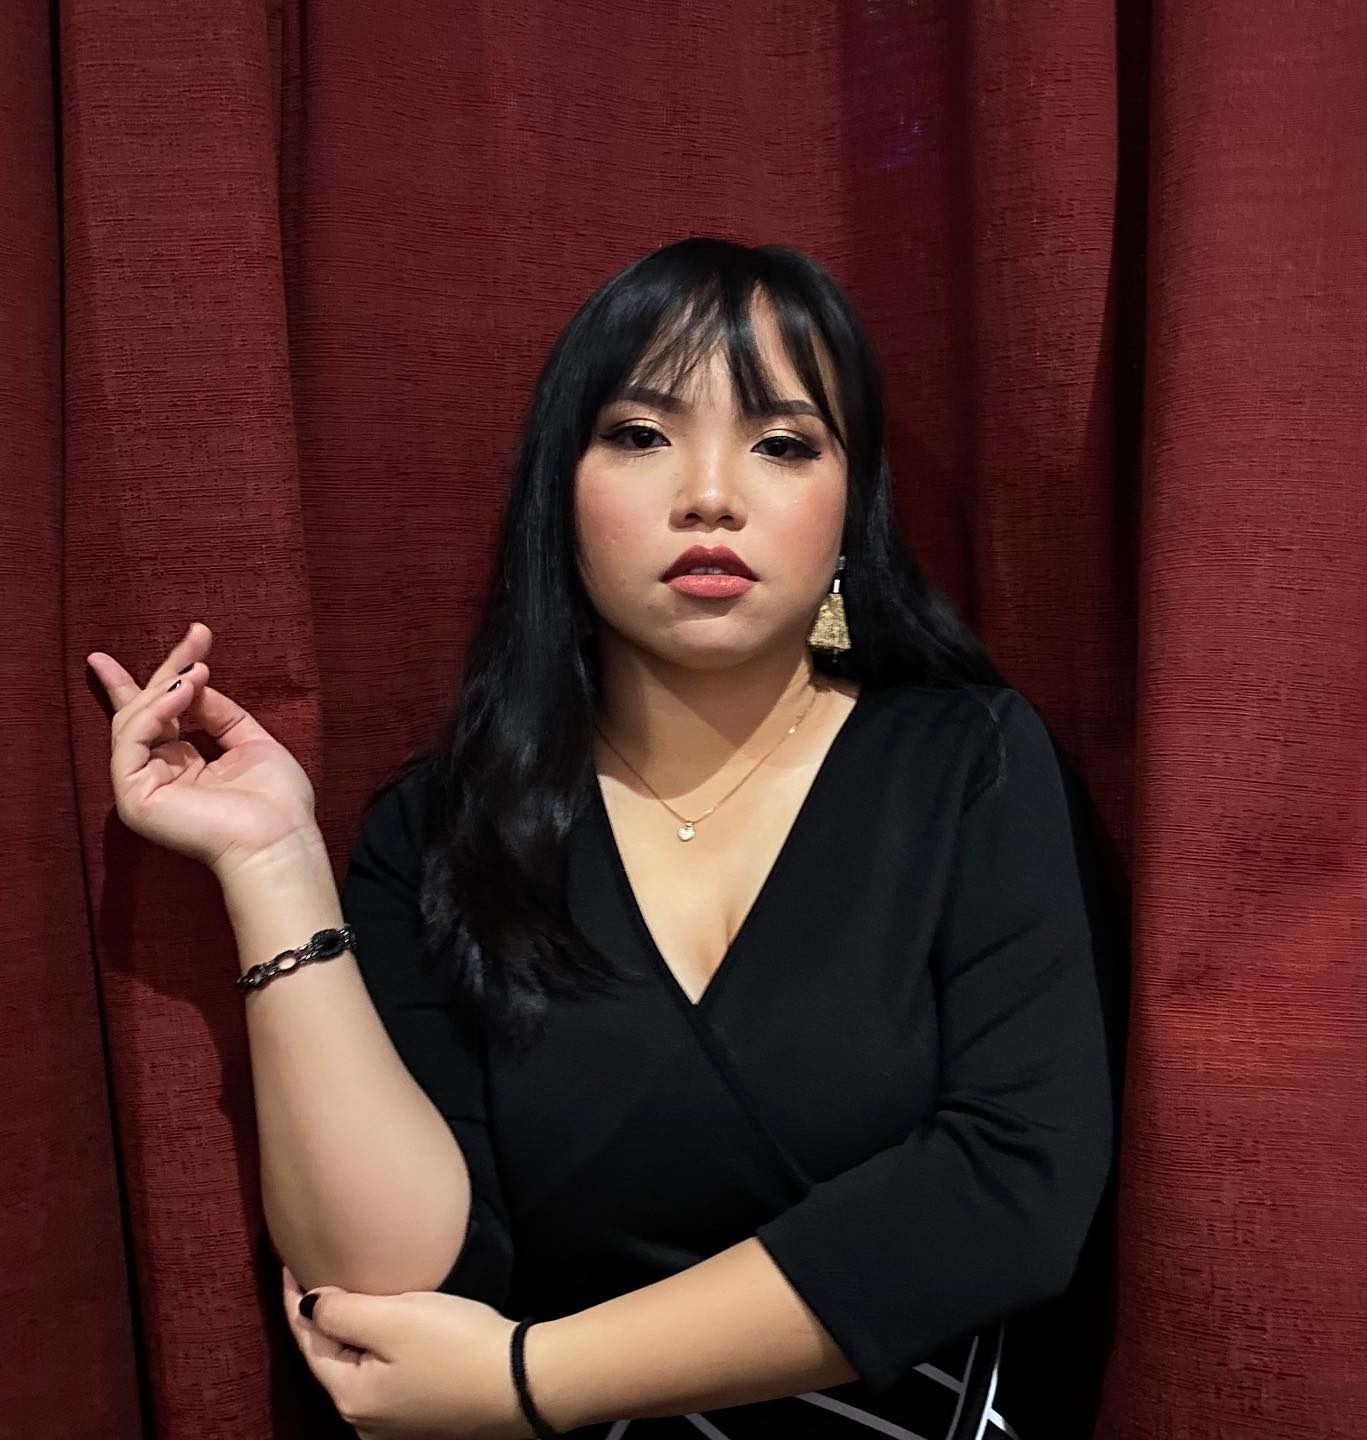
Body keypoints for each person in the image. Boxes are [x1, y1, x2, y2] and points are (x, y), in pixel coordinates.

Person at [89, 237, 1116, 1439]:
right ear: (557, 492)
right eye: (641, 434)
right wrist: (271, 865)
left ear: (852, 515)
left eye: (784, 444)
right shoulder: (445, 828)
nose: (712, 494)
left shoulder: (969, 764)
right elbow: (392, 1284)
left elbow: (1012, 1190)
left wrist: (534, 1381)